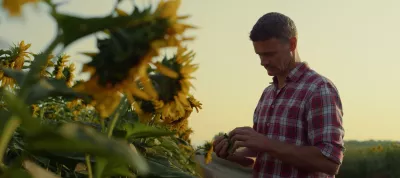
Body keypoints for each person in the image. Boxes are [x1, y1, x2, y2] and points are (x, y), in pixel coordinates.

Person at [212, 12, 345, 178]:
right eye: (259, 55)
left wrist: (266, 143)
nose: (263, 62)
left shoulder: (319, 90)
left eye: (269, 54)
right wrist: (231, 153)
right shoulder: (268, 94)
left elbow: (330, 162)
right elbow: (260, 159)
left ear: (292, 44)